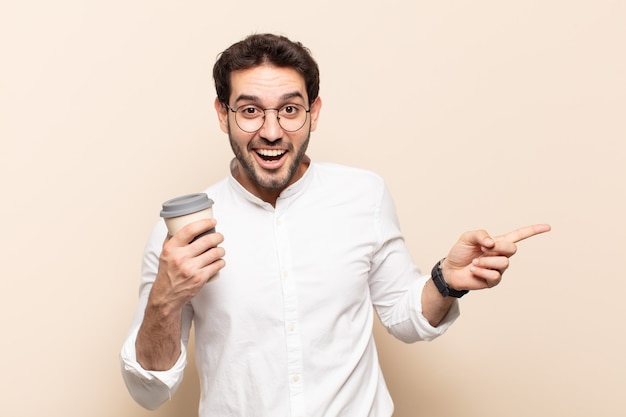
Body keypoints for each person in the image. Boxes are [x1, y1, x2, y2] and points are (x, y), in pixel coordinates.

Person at [120, 33, 550, 417]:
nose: (271, 131)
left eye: (290, 109)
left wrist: (446, 281)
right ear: (222, 114)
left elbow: (403, 317)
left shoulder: (364, 195)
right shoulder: (180, 233)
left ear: (314, 111)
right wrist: (165, 298)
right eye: (250, 110)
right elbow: (149, 391)